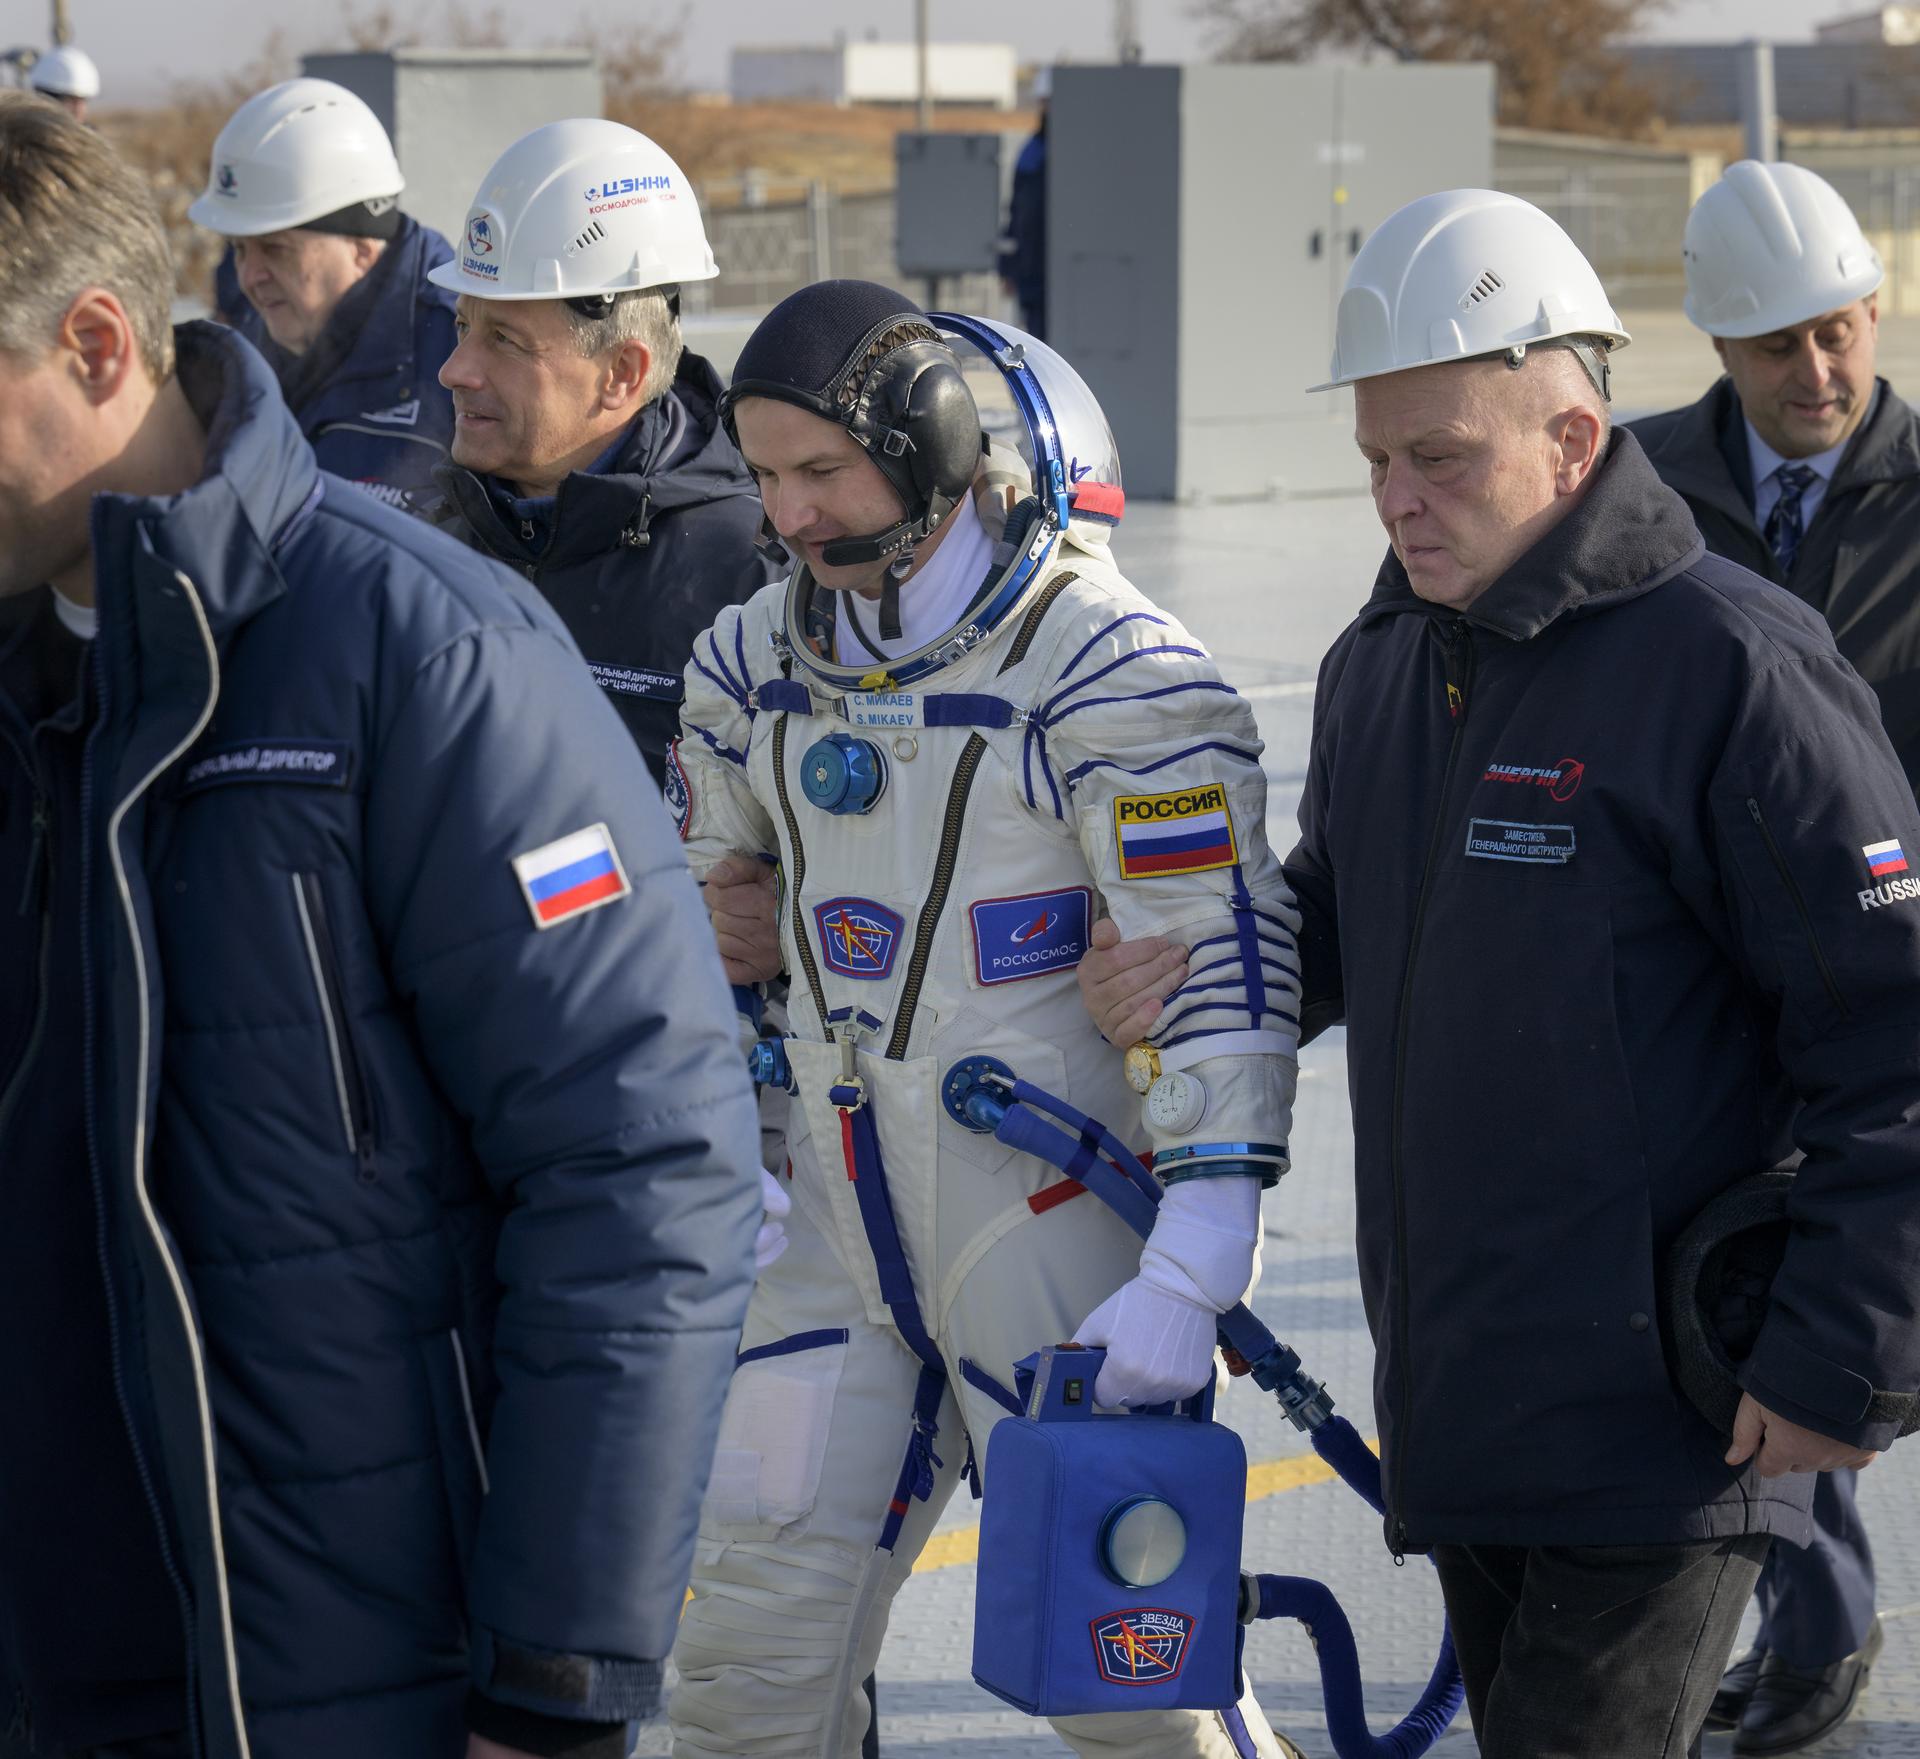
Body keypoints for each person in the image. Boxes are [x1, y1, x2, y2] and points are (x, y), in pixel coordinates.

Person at [1075, 189, 1920, 1759]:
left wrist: (1838, 1366)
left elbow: (1893, 1027)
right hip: (1468, 1392)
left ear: (1576, 441)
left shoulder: (1734, 665)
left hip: (1670, 1416)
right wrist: (1207, 965)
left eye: (1441, 457)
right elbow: (1345, 907)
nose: (1397, 497)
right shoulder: (1386, 658)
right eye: (1379, 459)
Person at [0, 94, 760, 1759]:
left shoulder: (418, 651)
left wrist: (558, 1675)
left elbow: (636, 1162)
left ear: (98, 342)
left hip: (335, 1661)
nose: (466, 374)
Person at [665, 279, 1305, 1759]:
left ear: (937, 445)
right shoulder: (753, 659)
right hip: (826, 1231)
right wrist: (707, 915)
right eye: (763, 476)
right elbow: (708, 894)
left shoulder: (1110, 672)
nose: (792, 515)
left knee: (1130, 1683)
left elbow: (1218, 974)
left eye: (821, 472)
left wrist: (1195, 1267)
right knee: (744, 1666)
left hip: (1049, 1234)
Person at [1627, 156, 1913, 1758]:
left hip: (1883, 984)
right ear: (1715, 343)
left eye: (1838, 332)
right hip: (1709, 1002)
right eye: (1774, 347)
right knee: (1761, 1321)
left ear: (1872, 308)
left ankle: (1818, 1621)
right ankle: (1818, 1626)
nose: (1815, 374)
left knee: (1855, 1311)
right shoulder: (1649, 485)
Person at [426, 119, 776, 782]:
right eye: (463, 326)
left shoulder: (749, 582)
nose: (455, 369)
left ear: (621, 373)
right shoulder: (434, 548)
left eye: (503, 339)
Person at [188, 78, 458, 515]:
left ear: (362, 249)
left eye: (276, 249)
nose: (249, 277)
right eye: (238, 249)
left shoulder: (460, 355)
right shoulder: (257, 344)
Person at [997, 66, 1048, 338]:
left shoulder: (1082, 150)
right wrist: (1009, 268)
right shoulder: (1033, 153)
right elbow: (1017, 213)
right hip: (1034, 278)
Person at [27, 44, 97, 120]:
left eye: (82, 100)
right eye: (71, 100)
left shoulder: (88, 131)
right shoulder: (28, 130)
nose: (78, 109)